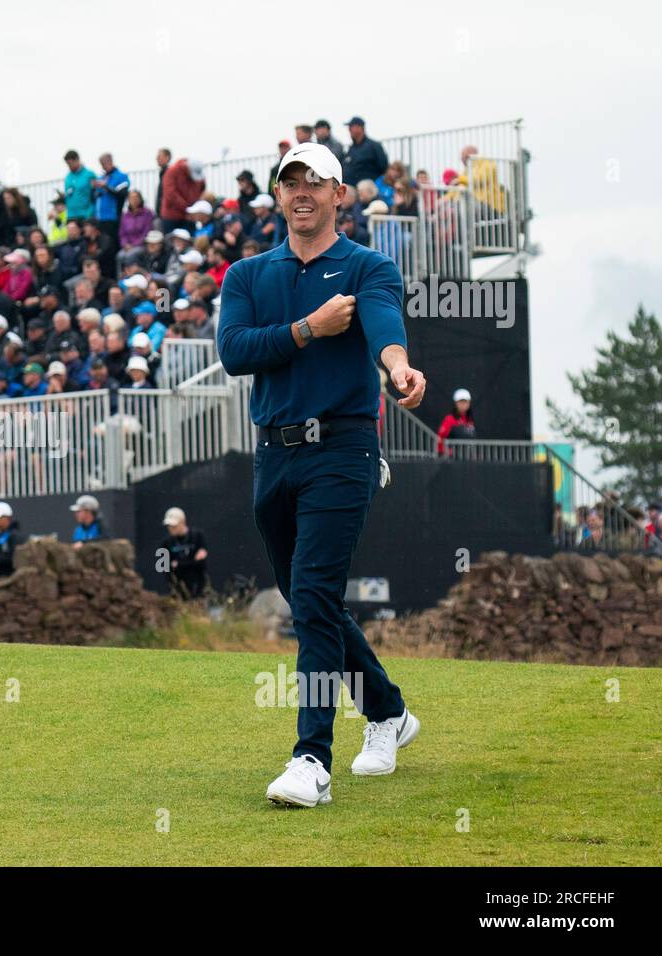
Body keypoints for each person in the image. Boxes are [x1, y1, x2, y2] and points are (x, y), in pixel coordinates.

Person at [217, 142, 427, 808]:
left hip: (345, 450)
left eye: (317, 181)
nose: (302, 190)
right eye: (291, 182)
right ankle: (387, 710)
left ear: (341, 194)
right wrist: (307, 329)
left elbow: (383, 326)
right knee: (314, 602)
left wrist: (397, 368)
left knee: (309, 595)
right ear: (278, 196)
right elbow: (234, 352)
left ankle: (311, 757)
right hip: (275, 453)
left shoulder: (368, 266)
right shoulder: (248, 275)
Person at [159, 507, 209, 599]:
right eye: (168, 526)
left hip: (198, 588)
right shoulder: (166, 543)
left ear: (183, 522)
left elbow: (200, 563)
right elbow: (165, 568)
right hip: (177, 591)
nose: (171, 529)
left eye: (174, 526)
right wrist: (191, 561)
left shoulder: (197, 536)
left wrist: (178, 564)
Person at [341, 116, 389, 187]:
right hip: (349, 188)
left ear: (360, 128)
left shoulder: (374, 146)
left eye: (351, 127)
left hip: (367, 188)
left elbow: (384, 167)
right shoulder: (351, 149)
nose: (349, 130)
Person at [436, 387, 477, 455]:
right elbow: (441, 437)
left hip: (468, 458)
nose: (463, 404)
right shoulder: (449, 419)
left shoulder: (470, 420)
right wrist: (444, 452)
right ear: (456, 403)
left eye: (465, 402)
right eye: (461, 402)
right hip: (452, 459)